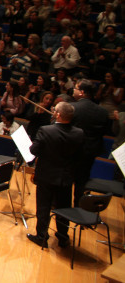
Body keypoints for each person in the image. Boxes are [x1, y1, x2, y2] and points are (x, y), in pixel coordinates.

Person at [27, 101, 84, 250]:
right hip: (66, 176)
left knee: (44, 207)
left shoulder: (46, 130)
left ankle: (42, 237)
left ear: (58, 115)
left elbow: (34, 151)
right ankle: (63, 237)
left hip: (46, 175)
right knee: (64, 207)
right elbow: (79, 156)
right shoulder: (79, 133)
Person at [71, 80, 110, 201]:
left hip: (73, 150)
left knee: (67, 179)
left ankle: (62, 207)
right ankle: (79, 205)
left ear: (82, 92)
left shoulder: (73, 107)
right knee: (82, 180)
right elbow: (105, 131)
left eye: (76, 88)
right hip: (90, 151)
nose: (73, 90)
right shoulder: (103, 112)